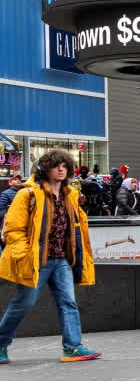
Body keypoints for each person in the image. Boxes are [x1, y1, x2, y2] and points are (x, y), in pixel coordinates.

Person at [0, 149, 102, 364]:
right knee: (23, 303)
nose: (61, 169)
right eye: (56, 165)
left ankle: (73, 347)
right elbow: (12, 230)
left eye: (65, 165)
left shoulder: (70, 195)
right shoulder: (27, 193)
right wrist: (23, 254)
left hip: (62, 259)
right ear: (45, 169)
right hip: (36, 259)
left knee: (68, 302)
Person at [0, 175, 22, 255]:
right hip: (10, 224)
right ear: (10, 183)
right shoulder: (6, 194)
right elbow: (1, 209)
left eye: (19, 179)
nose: (18, 180)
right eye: (15, 179)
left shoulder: (23, 191)